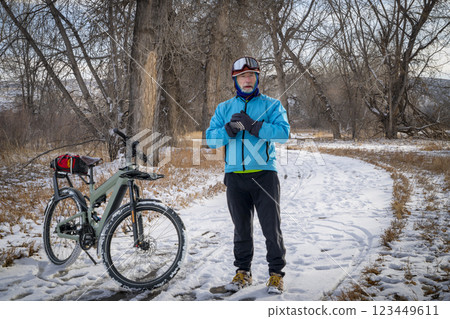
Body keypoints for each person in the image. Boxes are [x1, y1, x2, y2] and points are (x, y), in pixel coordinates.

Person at [205, 56, 290, 294]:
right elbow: (210, 140)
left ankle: (276, 275)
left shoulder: (272, 105)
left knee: (270, 228)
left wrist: (255, 126)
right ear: (235, 80)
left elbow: (283, 134)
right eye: (242, 76)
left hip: (264, 175)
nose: (247, 79)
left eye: (251, 75)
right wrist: (228, 131)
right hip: (235, 177)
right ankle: (243, 273)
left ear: (258, 78)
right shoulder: (224, 108)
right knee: (241, 229)